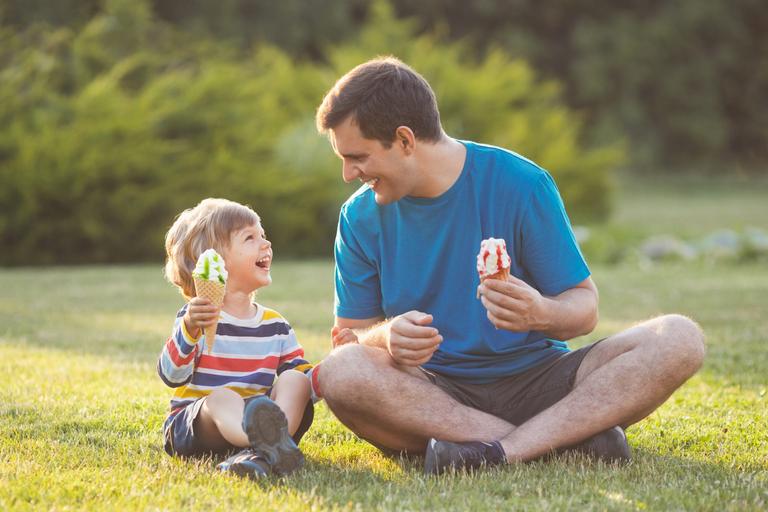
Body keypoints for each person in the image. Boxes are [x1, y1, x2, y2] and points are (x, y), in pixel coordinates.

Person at [315, 57, 706, 475]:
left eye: (357, 157)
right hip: (430, 395)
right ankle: (563, 439)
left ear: (405, 141)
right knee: (340, 372)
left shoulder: (520, 183)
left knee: (679, 337)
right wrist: (386, 336)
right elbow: (351, 338)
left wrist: (541, 311)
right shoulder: (359, 217)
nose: (347, 173)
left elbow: (584, 309)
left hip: (543, 380)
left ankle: (497, 449)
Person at [159, 198, 319, 479]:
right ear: (214, 260)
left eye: (264, 236)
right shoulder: (196, 317)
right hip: (198, 426)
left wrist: (329, 371)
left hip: (258, 414)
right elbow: (171, 375)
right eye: (250, 238)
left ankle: (266, 447)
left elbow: (304, 381)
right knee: (221, 398)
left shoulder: (275, 324)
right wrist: (189, 329)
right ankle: (265, 446)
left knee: (295, 380)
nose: (266, 244)